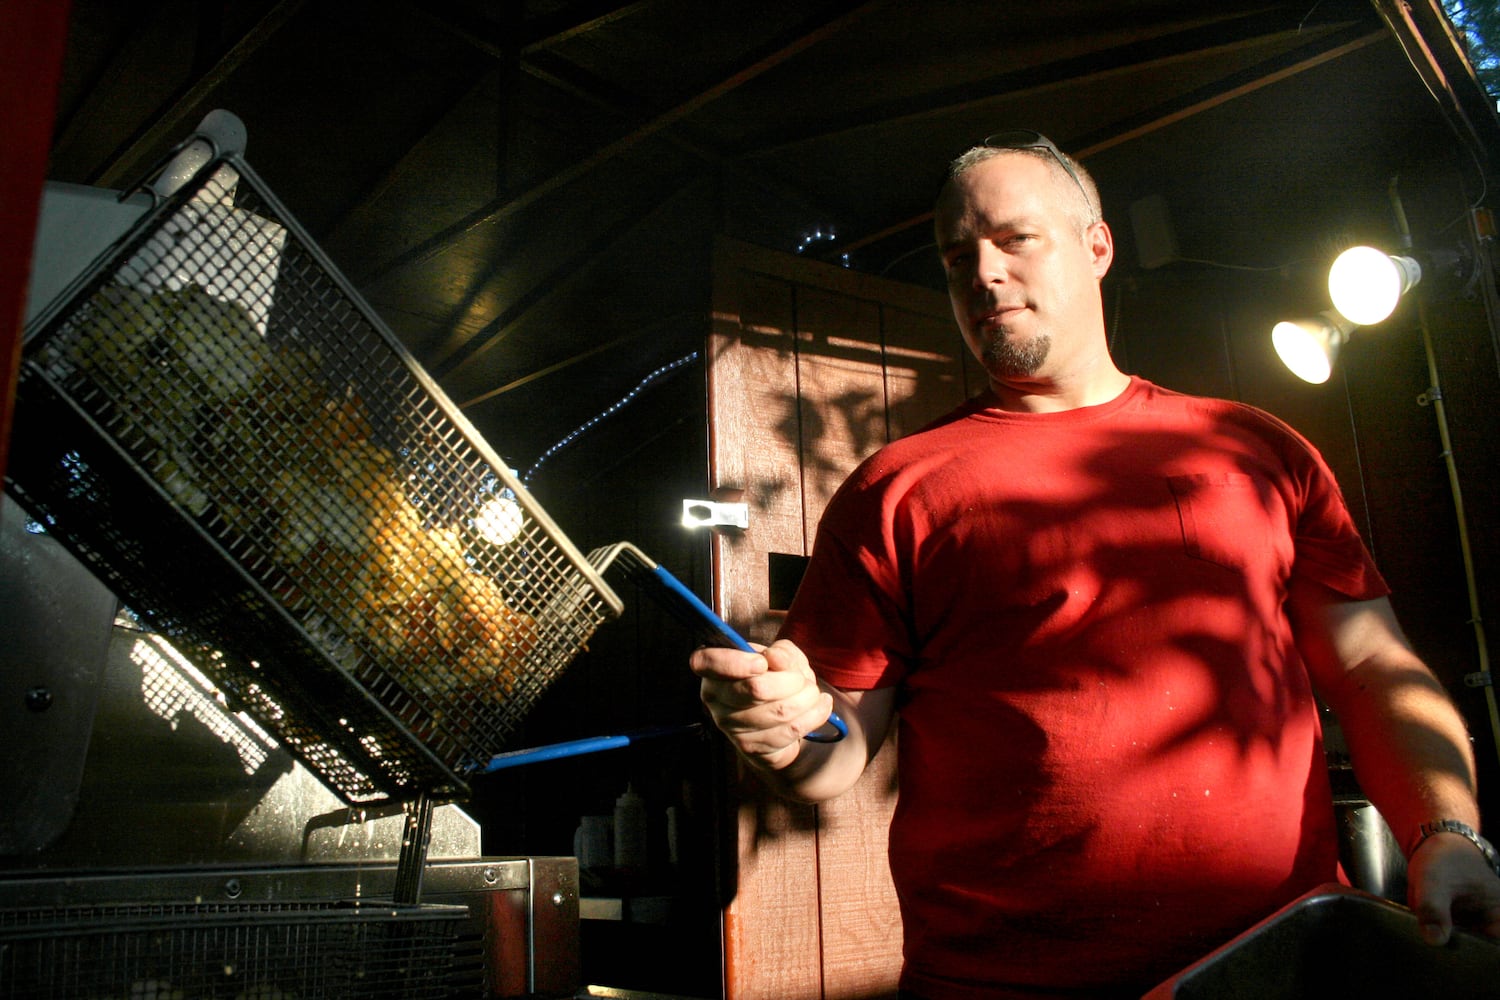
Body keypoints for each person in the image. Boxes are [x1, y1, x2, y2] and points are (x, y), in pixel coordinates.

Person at [691, 131, 1500, 998]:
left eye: (1014, 239)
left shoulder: (1258, 448)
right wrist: (784, 731)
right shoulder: (894, 488)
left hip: (1270, 966)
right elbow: (836, 748)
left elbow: (1374, 665)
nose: (984, 273)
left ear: (1097, 245)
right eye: (958, 255)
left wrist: (1444, 830)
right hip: (999, 984)